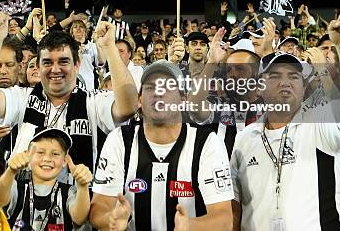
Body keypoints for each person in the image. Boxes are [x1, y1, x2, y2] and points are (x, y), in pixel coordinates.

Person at [231, 0, 340, 230]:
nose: (285, 82)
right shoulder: (244, 139)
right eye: (275, 76)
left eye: (294, 76)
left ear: (304, 86)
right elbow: (237, 206)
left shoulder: (319, 124)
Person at [0, 13, 138, 178]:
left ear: (77, 65)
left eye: (63, 61)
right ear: (38, 66)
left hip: (77, 200)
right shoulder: (23, 97)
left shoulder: (93, 101)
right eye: (47, 63)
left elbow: (128, 107)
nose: (55, 69)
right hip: (25, 200)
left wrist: (110, 48)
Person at [90, 60, 234, 231]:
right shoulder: (119, 141)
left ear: (183, 99)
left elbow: (224, 219)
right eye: (150, 87)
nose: (158, 93)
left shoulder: (207, 143)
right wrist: (111, 219)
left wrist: (190, 226)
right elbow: (99, 207)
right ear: (139, 100)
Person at [0, 128, 92, 230]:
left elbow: (79, 218)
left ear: (65, 160)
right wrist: (10, 171)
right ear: (28, 155)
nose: (47, 159)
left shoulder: (70, 192)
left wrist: (82, 186)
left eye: (55, 154)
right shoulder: (16, 187)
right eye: (40, 152)